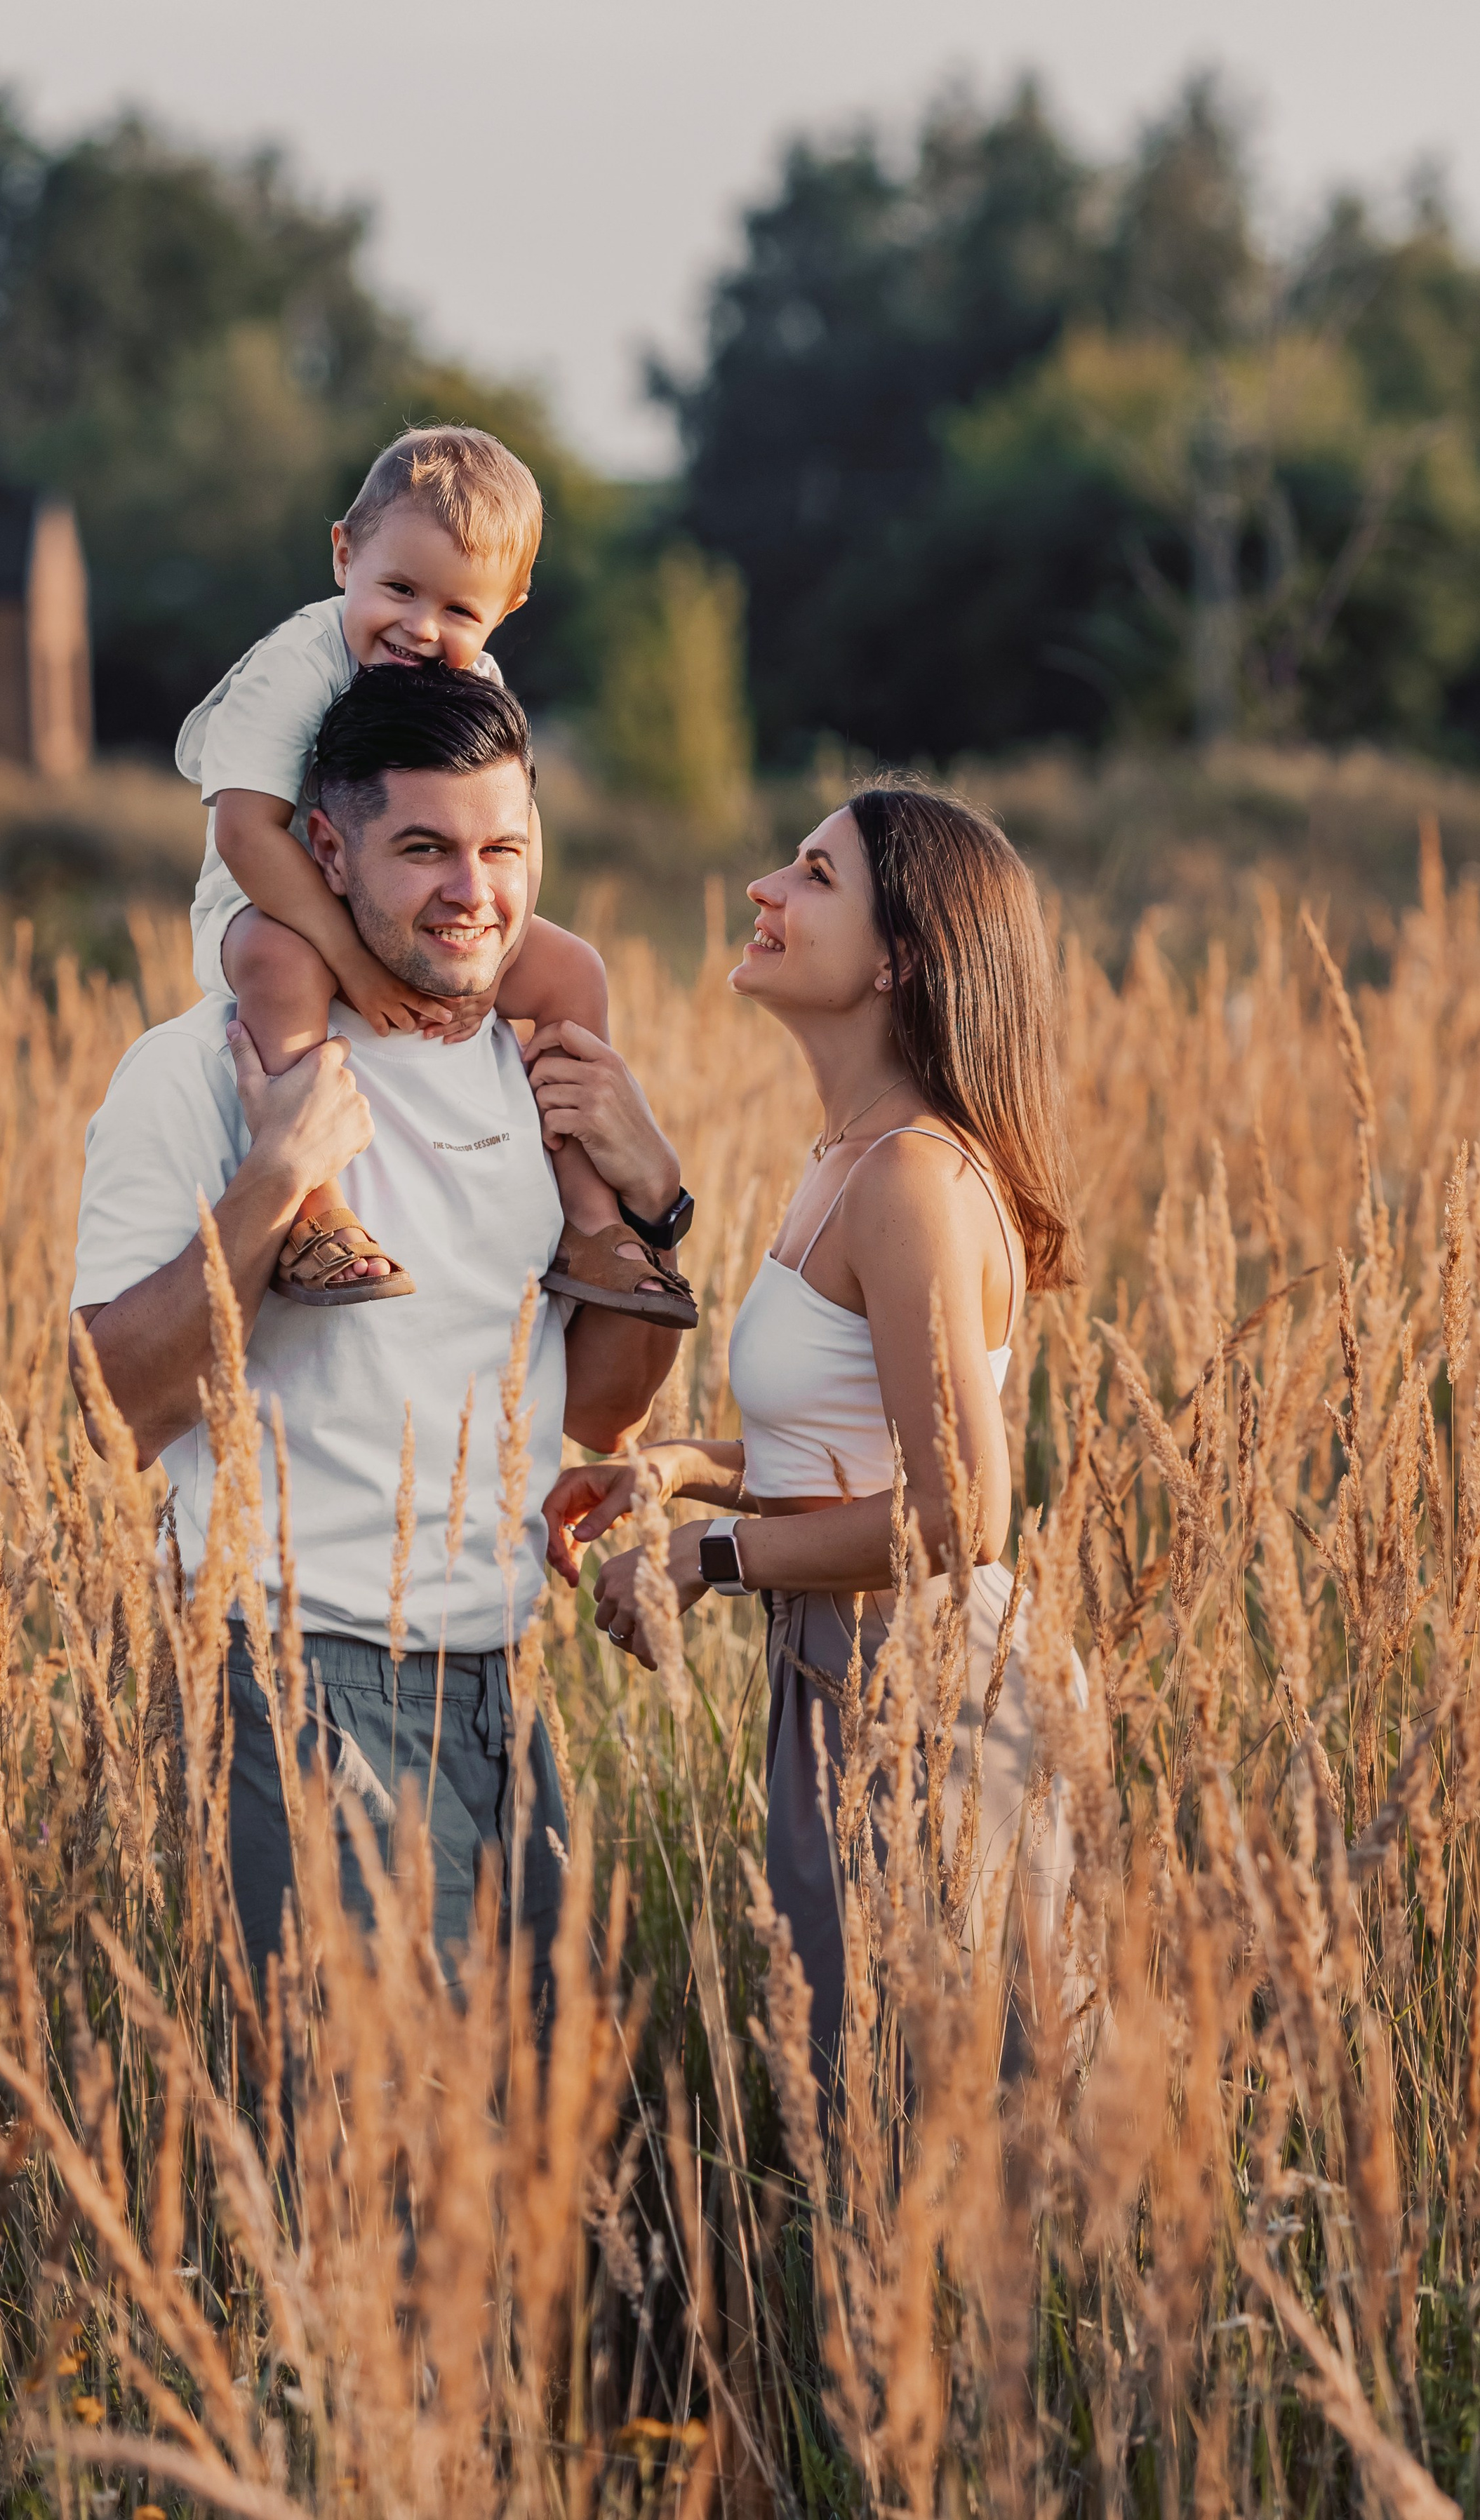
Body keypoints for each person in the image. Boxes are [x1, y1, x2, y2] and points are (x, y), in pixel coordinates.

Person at [72, 662, 686, 1996]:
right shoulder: (197, 1070)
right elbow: (116, 1408)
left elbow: (603, 1410)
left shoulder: (530, 1062)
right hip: (293, 1670)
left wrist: (654, 1205)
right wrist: (274, 1187)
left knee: (531, 2143)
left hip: (496, 1683)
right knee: (373, 2158)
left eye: (504, 849)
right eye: (425, 849)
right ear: (325, 849)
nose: (474, 891)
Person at [543, 779, 1086, 2082]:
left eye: (813, 875)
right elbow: (865, 1449)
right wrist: (684, 1470)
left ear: (901, 958)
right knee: (872, 2112)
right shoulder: (847, 1154)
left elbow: (962, 1515)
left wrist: (706, 1560)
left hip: (923, 1693)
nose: (764, 893)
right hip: (841, 1669)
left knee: (943, 2134)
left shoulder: (909, 1176)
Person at [174, 422, 695, 1328]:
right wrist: (354, 961)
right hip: (279, 895)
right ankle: (315, 1211)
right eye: (400, 589)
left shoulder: (481, 686)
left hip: (417, 902)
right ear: (345, 554)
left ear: (509, 605)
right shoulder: (295, 666)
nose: (420, 628)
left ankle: (589, 1219)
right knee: (278, 960)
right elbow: (247, 833)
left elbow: (517, 832)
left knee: (573, 971)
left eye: (459, 610)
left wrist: (493, 948)